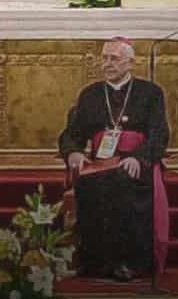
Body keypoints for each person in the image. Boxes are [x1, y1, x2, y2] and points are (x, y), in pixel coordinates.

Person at [58, 38, 171, 282]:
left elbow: (159, 134)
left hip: (135, 161)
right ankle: (94, 262)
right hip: (101, 162)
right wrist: (74, 152)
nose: (107, 64)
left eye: (114, 58)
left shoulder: (151, 93)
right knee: (90, 185)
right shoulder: (91, 94)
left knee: (124, 183)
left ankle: (128, 262)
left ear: (131, 63)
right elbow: (72, 133)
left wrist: (140, 159)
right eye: (104, 58)